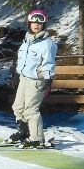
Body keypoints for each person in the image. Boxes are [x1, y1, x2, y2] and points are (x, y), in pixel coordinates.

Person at [9, 8, 57, 147]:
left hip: (37, 80)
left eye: (40, 23)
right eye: (34, 22)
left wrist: (48, 79)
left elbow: (49, 63)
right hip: (24, 78)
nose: (36, 25)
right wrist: (17, 74)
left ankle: (37, 138)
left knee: (31, 109)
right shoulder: (26, 41)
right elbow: (21, 60)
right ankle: (24, 132)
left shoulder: (47, 43)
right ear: (29, 23)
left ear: (44, 24)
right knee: (18, 107)